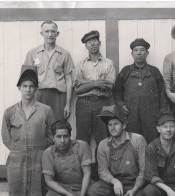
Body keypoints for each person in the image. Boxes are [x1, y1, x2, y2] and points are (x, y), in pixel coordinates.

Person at [1, 65, 55, 196]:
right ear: (19, 88)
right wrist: (17, 150)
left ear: (36, 89)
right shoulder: (10, 112)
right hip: (16, 159)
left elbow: (53, 134)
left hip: (39, 158)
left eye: (32, 86)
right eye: (25, 86)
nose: (28, 90)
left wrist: (41, 150)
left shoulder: (46, 110)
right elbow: (5, 136)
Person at [87, 105, 148, 196]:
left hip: (134, 184)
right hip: (114, 185)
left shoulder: (137, 140)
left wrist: (134, 189)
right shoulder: (103, 144)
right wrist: (115, 181)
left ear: (124, 125)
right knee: (93, 190)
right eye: (110, 125)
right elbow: (102, 171)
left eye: (116, 124)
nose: (112, 128)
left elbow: (143, 170)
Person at [73, 30, 116, 180]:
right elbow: (77, 89)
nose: (92, 44)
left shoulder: (108, 63)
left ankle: (100, 175)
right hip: (83, 104)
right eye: (89, 42)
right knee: (82, 140)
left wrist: (86, 83)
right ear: (85, 45)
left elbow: (109, 85)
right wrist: (97, 82)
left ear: (99, 43)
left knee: (103, 139)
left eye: (95, 40)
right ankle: (82, 174)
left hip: (102, 104)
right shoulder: (80, 65)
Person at [114, 38, 167, 143]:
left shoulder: (154, 71)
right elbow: (116, 92)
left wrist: (162, 113)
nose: (139, 53)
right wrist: (121, 105)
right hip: (131, 114)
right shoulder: (125, 71)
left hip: (151, 114)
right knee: (133, 141)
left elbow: (162, 93)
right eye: (136, 50)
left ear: (147, 53)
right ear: (132, 54)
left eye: (142, 50)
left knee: (152, 140)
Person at [42, 120, 92, 196]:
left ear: (70, 135)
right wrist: (68, 194)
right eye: (58, 137)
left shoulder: (82, 146)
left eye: (66, 136)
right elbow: (49, 181)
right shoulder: (48, 153)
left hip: (80, 187)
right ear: (52, 138)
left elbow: (87, 173)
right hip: (62, 188)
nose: (62, 140)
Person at [24, 20, 75, 121]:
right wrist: (28, 103)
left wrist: (68, 105)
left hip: (59, 96)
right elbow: (26, 80)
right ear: (41, 33)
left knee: (58, 126)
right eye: (47, 31)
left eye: (53, 31)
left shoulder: (65, 54)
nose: (50, 34)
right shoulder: (32, 53)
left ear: (57, 33)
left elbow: (69, 81)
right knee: (38, 125)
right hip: (39, 95)